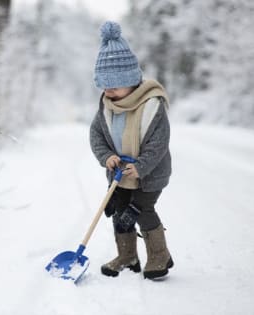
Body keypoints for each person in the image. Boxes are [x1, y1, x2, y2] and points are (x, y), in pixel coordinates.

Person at [89, 21, 174, 280]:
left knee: (140, 211)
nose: (108, 91)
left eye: (113, 85)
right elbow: (96, 136)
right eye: (104, 86)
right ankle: (127, 256)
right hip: (119, 174)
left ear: (130, 80)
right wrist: (107, 157)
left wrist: (141, 166)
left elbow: (159, 143)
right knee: (119, 212)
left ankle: (160, 256)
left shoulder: (151, 105)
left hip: (148, 174)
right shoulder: (106, 106)